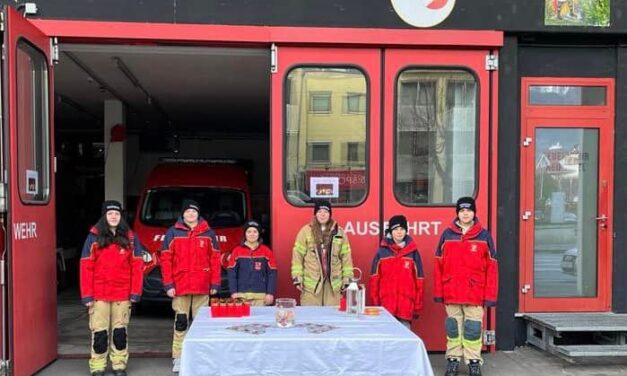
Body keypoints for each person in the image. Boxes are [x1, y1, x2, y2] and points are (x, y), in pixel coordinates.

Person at [434, 197, 498, 376]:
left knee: (473, 329)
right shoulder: (447, 235)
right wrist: (439, 292)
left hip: (475, 293)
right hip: (452, 291)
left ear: (474, 213)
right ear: (457, 213)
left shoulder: (484, 236)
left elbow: (492, 268)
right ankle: (453, 360)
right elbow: (438, 265)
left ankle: (473, 362)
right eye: (462, 211)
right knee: (453, 328)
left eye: (468, 210)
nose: (465, 214)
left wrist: (490, 296)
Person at [80, 200, 143, 376]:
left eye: (117, 213)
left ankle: (119, 365)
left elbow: (137, 267)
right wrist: (87, 296)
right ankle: (98, 366)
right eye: (110, 214)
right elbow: (86, 267)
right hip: (99, 294)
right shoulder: (93, 237)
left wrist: (135, 292)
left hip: (122, 294)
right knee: (99, 333)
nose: (114, 217)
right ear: (104, 216)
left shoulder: (131, 238)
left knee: (120, 332)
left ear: (121, 216)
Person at [160, 199, 221, 373]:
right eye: (187, 211)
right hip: (180, 287)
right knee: (181, 323)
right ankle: (178, 357)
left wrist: (215, 283)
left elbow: (215, 260)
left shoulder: (208, 233)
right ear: (183, 214)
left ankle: (199, 357)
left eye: (194, 211)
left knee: (200, 324)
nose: (191, 214)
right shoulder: (172, 233)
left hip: (202, 286)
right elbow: (165, 260)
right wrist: (168, 284)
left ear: (198, 213)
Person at [291, 200, 354, 306]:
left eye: (326, 211)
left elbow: (346, 257)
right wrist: (297, 277)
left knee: (333, 318)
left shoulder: (339, 232)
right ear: (315, 214)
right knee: (311, 319)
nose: (322, 214)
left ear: (330, 214)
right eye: (319, 211)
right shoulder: (305, 231)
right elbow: (297, 256)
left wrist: (347, 278)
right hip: (311, 287)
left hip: (333, 286)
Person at [369, 214, 424, 328]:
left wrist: (417, 305)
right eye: (396, 229)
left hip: (406, 306)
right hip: (386, 306)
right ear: (390, 231)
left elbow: (419, 280)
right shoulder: (381, 252)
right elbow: (374, 280)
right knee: (386, 339)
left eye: (402, 229)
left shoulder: (413, 253)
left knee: (405, 340)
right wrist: (376, 304)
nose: (399, 232)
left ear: (406, 231)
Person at [227, 220, 277, 306]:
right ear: (245, 234)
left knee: (260, 320)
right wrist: (233, 292)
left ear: (259, 234)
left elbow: (272, 273)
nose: (252, 234)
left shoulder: (266, 251)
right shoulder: (237, 251)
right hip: (241, 296)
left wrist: (270, 293)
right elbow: (232, 273)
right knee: (243, 319)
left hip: (261, 296)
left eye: (255, 231)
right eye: (249, 231)